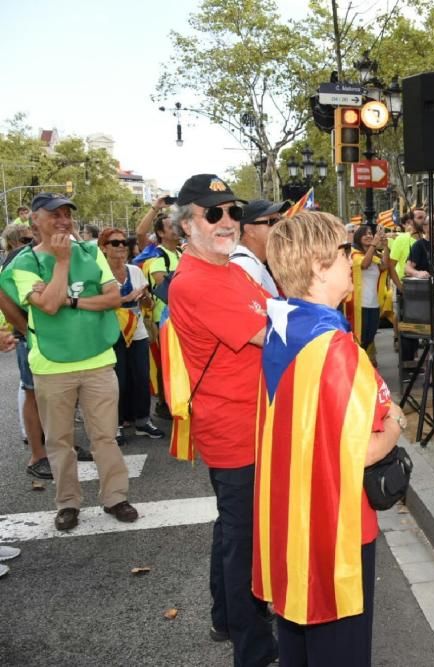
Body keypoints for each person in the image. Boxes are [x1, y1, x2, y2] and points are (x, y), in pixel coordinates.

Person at [255, 210, 403, 666]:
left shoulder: (283, 326)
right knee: (340, 649)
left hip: (292, 515)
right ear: (320, 265)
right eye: (344, 250)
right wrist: (397, 423)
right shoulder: (334, 346)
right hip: (334, 524)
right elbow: (363, 450)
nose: (352, 258)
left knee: (299, 644)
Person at [165, 174, 277, 664]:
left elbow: (275, 313)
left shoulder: (232, 269)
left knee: (233, 529)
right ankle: (252, 649)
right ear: (187, 225)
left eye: (233, 211)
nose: (228, 221)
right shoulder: (194, 281)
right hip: (233, 428)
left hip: (253, 420)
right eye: (214, 214)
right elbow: (269, 335)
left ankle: (227, 618)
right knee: (244, 539)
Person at [10, 193, 135, 530]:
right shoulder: (24, 263)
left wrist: (74, 300)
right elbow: (48, 306)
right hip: (52, 365)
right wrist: (62, 263)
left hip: (98, 359)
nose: (64, 220)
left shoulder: (91, 250)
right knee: (60, 440)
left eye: (67, 214)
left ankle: (115, 497)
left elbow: (113, 298)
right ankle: (67, 503)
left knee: (105, 436)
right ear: (35, 220)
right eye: (55, 214)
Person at [99, 228, 163, 442]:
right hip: (111, 329)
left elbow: (147, 303)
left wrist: (144, 297)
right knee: (118, 379)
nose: (121, 247)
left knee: (141, 376)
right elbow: (99, 303)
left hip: (136, 328)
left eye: (124, 242)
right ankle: (116, 424)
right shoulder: (99, 273)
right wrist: (127, 296)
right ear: (103, 247)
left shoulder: (134, 270)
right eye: (115, 243)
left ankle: (142, 420)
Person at [0, 223, 50, 478]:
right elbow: (3, 296)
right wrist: (26, 331)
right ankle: (37, 456)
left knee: (55, 397)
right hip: (31, 337)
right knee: (33, 393)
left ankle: (57, 447)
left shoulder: (57, 251)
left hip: (54, 338)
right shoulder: (19, 258)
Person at [344, 225, 389, 365]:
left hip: (374, 304)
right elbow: (364, 264)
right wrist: (374, 244)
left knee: (369, 338)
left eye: (371, 233)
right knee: (360, 339)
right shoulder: (354, 254)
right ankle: (357, 366)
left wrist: (386, 247)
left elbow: (384, 266)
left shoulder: (374, 255)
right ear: (358, 237)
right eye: (365, 234)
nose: (369, 236)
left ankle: (362, 365)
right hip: (359, 305)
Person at [231, 199, 288, 297]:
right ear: (250, 230)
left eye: (280, 220)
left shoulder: (254, 262)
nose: (279, 227)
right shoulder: (245, 265)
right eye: (272, 221)